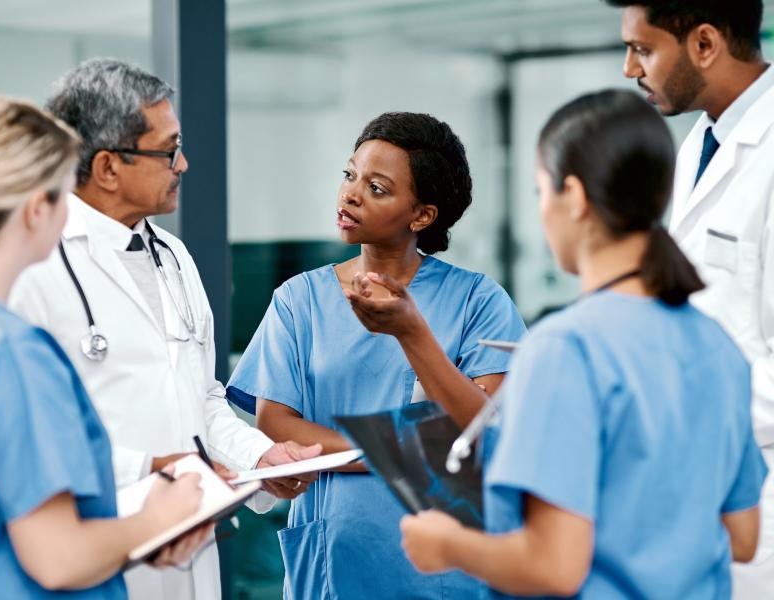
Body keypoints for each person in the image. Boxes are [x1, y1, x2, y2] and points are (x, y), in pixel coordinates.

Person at [399, 90, 768, 598]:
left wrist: (449, 545)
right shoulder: (717, 347)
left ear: (573, 197)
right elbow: (743, 537)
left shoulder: (565, 350)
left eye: (540, 190)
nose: (544, 211)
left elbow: (554, 567)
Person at [8, 58, 319, 600]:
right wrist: (154, 471)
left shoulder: (173, 257)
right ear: (108, 167)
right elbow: (25, 438)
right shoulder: (34, 266)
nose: (184, 164)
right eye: (168, 149)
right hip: (94, 544)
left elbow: (202, 400)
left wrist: (258, 458)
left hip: (191, 546)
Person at [227, 111, 526, 599]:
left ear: (422, 215)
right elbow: (277, 427)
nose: (350, 194)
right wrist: (403, 454)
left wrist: (412, 338)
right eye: (350, 175)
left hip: (443, 567)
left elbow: (482, 431)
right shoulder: (298, 301)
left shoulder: (479, 301)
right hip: (333, 561)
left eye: (378, 188)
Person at [0, 96, 213, 599]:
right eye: (65, 196)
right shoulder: (11, 351)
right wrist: (157, 519)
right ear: (38, 210)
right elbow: (59, 559)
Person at [606, 1, 774, 595]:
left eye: (643, 49)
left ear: (705, 44)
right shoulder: (699, 145)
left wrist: (684, 425)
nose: (630, 69)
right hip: (702, 477)